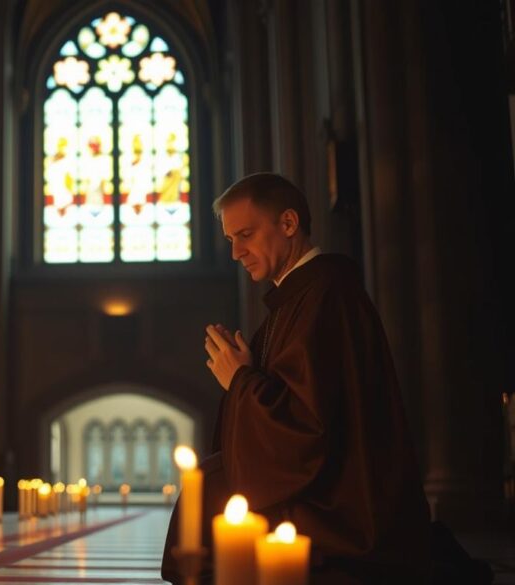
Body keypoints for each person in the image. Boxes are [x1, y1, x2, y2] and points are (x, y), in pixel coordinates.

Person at [161, 172, 491, 584]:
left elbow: (308, 431)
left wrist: (241, 379)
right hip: (317, 483)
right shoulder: (298, 296)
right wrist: (244, 374)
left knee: (210, 504)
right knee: (208, 493)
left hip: (342, 505)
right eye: (230, 240)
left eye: (244, 234)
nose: (236, 252)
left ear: (288, 224)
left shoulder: (327, 295)